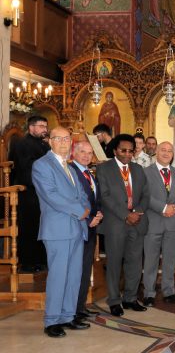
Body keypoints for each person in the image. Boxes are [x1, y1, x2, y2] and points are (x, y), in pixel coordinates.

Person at [33, 127, 92, 337]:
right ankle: (52, 320)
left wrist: (86, 211)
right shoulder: (42, 165)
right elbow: (51, 196)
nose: (64, 142)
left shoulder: (69, 166)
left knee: (74, 275)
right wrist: (80, 211)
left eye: (67, 139)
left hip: (77, 228)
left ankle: (67, 316)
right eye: (59, 139)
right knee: (58, 275)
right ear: (51, 141)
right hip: (58, 229)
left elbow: (82, 194)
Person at [96, 134, 150, 317]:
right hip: (115, 223)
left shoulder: (138, 169)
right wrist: (126, 215)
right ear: (114, 151)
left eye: (130, 151)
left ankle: (130, 298)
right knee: (114, 263)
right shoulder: (104, 169)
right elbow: (105, 196)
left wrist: (137, 212)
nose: (127, 154)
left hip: (137, 222)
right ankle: (114, 301)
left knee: (135, 263)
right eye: (123, 150)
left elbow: (145, 195)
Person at [142, 142, 175, 307]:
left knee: (170, 260)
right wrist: (162, 208)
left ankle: (169, 291)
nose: (166, 153)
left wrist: (174, 209)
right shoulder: (146, 172)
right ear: (156, 151)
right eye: (163, 150)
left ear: (173, 154)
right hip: (153, 222)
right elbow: (144, 196)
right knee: (151, 260)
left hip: (172, 223)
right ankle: (148, 293)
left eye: (170, 151)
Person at [8, 115, 50, 272]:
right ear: (31, 127)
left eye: (46, 127)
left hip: (41, 192)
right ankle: (27, 263)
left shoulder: (44, 145)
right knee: (29, 228)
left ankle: (41, 260)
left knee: (42, 226)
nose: (44, 130)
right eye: (41, 126)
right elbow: (26, 169)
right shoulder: (22, 144)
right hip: (27, 191)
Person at [68, 141, 103, 321]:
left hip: (91, 228)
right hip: (78, 227)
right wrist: (89, 219)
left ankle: (80, 307)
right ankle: (72, 310)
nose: (87, 156)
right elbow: (73, 201)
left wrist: (99, 214)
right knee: (75, 271)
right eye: (83, 152)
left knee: (84, 269)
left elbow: (95, 199)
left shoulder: (89, 173)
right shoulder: (71, 172)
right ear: (74, 153)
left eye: (90, 153)